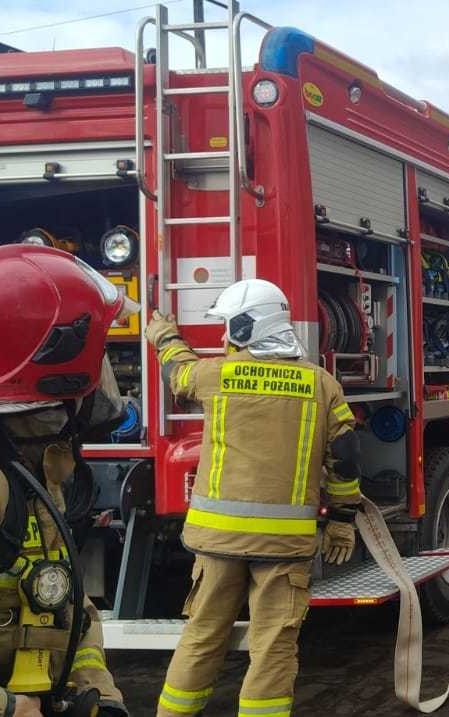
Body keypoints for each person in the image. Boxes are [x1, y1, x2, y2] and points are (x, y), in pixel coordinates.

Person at [148, 279, 363, 717]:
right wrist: (342, 518)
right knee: (273, 645)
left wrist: (165, 336)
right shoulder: (322, 385)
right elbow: (344, 458)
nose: (224, 337)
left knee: (203, 634)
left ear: (247, 327)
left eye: (228, 327)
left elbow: (177, 372)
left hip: (218, 543)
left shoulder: (216, 375)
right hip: (285, 548)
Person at [0, 244, 135, 716]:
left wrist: (94, 687)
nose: (101, 384)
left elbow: (63, 607)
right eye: (97, 358)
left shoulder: (33, 474)